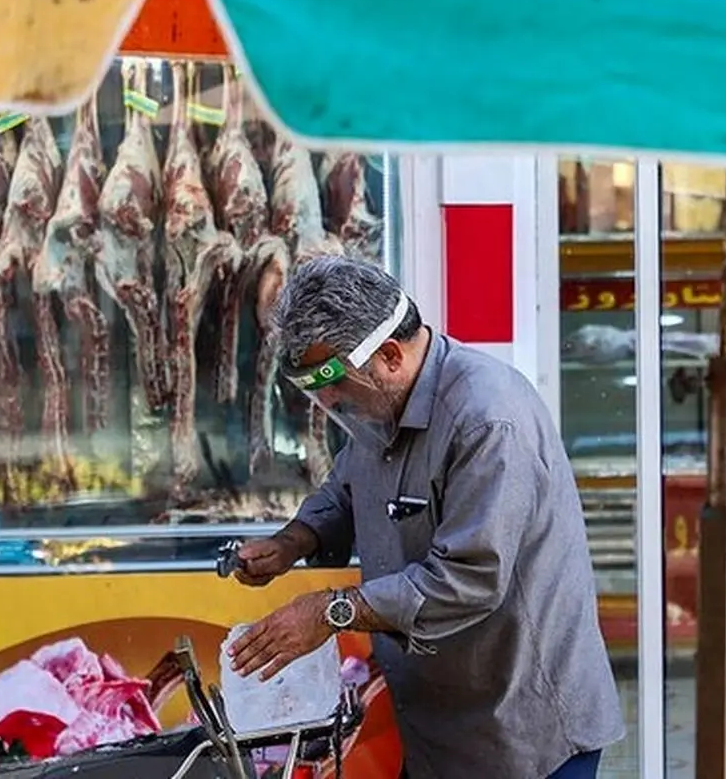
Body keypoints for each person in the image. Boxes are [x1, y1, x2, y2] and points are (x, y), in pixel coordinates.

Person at [226, 256, 624, 778]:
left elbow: (469, 578)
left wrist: (331, 611)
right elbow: (347, 489)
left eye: (334, 382)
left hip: (524, 732)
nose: (328, 400)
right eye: (315, 388)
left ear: (390, 354)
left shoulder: (487, 418)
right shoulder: (379, 403)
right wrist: (294, 540)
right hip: (440, 728)